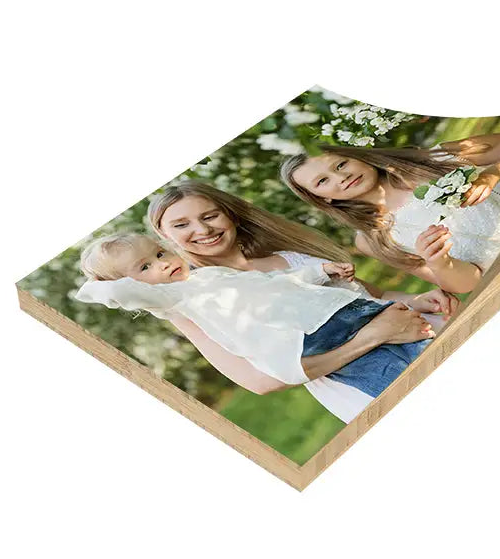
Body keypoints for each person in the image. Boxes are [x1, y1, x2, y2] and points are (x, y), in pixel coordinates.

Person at [145, 180, 459, 420]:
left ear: (230, 216)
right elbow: (262, 382)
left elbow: (374, 296)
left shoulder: (291, 259)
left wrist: (420, 300)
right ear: (166, 236)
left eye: (210, 216)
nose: (202, 229)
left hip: (422, 335)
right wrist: (374, 336)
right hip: (368, 384)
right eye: (181, 225)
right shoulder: (198, 303)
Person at [76, 233, 432, 398]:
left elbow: (274, 283)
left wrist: (318, 272)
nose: (164, 262)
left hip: (333, 309)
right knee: (395, 379)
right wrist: (100, 283)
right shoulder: (171, 298)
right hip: (308, 338)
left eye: (158, 252)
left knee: (421, 340)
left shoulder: (208, 275)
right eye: (146, 266)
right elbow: (117, 293)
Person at [281, 119, 500, 293]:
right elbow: (467, 284)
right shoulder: (373, 240)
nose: (341, 177)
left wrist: (497, 173)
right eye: (322, 181)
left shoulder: (435, 159)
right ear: (323, 199)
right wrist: (439, 263)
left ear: (355, 156)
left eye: (340, 163)